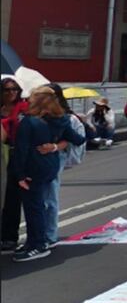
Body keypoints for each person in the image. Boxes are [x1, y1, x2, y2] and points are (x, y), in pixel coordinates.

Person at [12, 86, 85, 262]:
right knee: (40, 205)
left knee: (33, 208)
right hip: (50, 168)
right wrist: (54, 146)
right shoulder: (60, 120)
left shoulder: (29, 122)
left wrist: (19, 175)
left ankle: (38, 244)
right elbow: (79, 139)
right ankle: (35, 241)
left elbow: (21, 151)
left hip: (32, 169)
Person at [1, 79, 28, 253]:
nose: (12, 92)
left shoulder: (24, 108)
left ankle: (10, 237)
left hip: (17, 154)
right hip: (2, 154)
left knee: (12, 198)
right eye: (7, 89)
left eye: (15, 89)